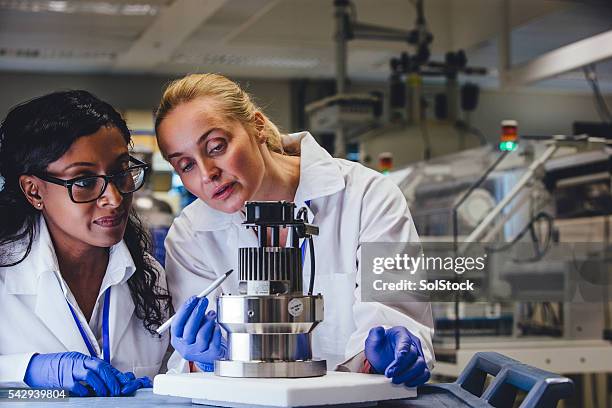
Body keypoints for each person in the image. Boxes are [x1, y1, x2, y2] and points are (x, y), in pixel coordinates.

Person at [155, 74, 434, 386]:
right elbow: (191, 360)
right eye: (186, 166)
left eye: (217, 146)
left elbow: (393, 314)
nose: (208, 174)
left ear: (257, 126)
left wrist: (387, 353)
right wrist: (205, 360)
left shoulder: (366, 195)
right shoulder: (191, 234)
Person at [0, 90, 171, 396]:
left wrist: (194, 368)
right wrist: (27, 369)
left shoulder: (149, 277)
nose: (115, 198)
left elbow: (176, 373)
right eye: (83, 181)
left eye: (121, 173)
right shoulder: (4, 274)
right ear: (34, 191)